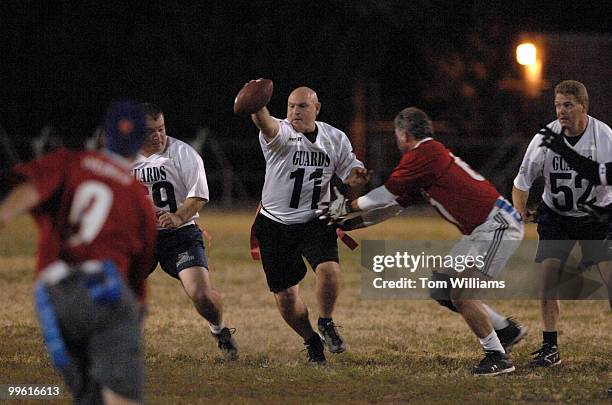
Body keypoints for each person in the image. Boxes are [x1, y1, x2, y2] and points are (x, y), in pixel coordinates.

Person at [321, 107, 526, 376]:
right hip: (483, 228)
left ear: (404, 135)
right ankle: (505, 330)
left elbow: (384, 195)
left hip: (495, 226)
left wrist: (346, 206)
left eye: (397, 135)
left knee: (462, 293)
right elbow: (393, 206)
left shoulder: (424, 154)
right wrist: (351, 223)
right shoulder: (426, 159)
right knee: (442, 287)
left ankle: (497, 356)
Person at [0, 101, 157, 404]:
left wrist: (4, 216)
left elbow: (29, 190)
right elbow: (139, 275)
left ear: (104, 136)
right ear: (140, 142)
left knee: (88, 396)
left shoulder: (70, 161)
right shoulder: (138, 196)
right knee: (123, 397)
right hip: (104, 289)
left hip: (53, 295)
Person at [249, 85, 369, 364]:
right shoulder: (280, 133)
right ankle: (311, 340)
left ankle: (326, 322)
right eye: (290, 106)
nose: (294, 112)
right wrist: (256, 105)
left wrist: (357, 177)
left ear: (316, 108)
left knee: (329, 270)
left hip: (316, 218)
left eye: (302, 106)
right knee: (287, 298)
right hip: (275, 224)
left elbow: (351, 169)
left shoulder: (333, 137)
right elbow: (265, 123)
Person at [512, 80, 612, 368]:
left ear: (583, 106)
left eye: (568, 105)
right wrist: (519, 210)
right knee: (548, 280)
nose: (561, 111)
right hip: (557, 216)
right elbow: (521, 183)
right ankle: (549, 348)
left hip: (597, 216)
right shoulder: (544, 138)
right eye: (557, 105)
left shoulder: (604, 137)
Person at [132, 103, 238, 359]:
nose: (158, 136)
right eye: (150, 131)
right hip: (140, 235)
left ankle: (219, 329)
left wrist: (178, 216)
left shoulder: (183, 153)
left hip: (179, 235)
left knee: (201, 295)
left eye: (162, 129)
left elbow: (199, 195)